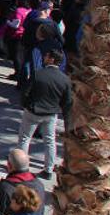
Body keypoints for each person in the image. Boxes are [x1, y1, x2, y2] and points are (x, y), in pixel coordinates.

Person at [18, 49, 72, 179]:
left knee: (25, 138)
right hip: (51, 114)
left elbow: (25, 92)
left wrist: (25, 105)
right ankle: (48, 169)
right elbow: (67, 102)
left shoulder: (38, 74)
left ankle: (21, 167)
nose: (44, 57)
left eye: (46, 55)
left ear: (52, 59)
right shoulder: (65, 79)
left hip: (33, 111)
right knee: (49, 141)